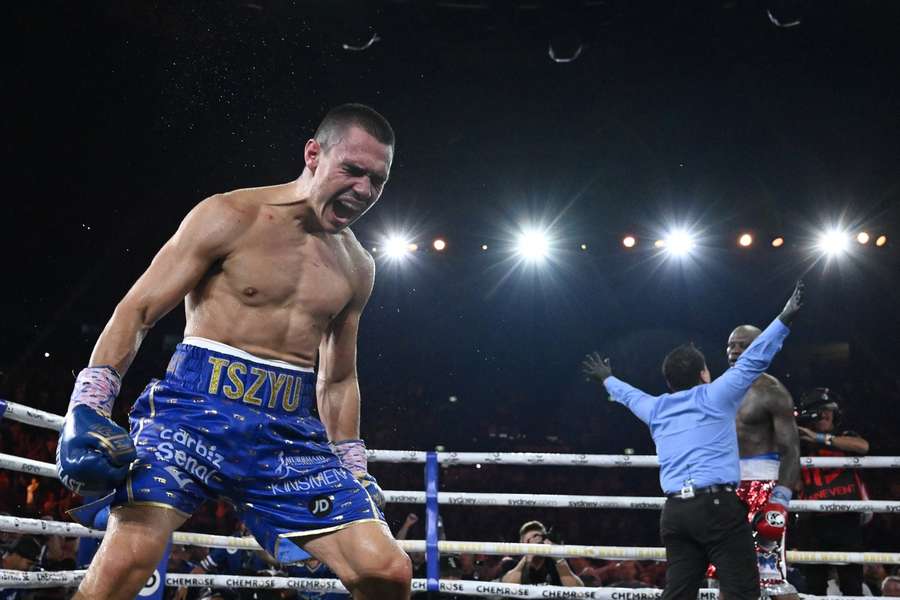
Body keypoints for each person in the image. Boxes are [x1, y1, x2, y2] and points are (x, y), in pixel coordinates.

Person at [55, 103, 412, 600]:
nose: (363, 190)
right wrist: (89, 402)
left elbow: (337, 378)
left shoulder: (358, 266)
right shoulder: (230, 215)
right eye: (352, 170)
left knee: (387, 571)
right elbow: (136, 310)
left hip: (285, 433)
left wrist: (351, 462)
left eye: (377, 180)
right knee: (126, 560)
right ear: (313, 154)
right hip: (192, 413)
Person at [582, 281, 804, 600]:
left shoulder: (657, 408)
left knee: (679, 593)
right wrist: (784, 318)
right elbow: (756, 359)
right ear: (703, 374)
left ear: (669, 382)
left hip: (675, 513)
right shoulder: (717, 395)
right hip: (717, 509)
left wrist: (606, 378)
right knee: (742, 591)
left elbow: (629, 396)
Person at [707, 324, 802, 598]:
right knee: (725, 574)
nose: (735, 350)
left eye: (743, 345)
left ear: (760, 347)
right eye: (731, 345)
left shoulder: (773, 391)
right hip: (723, 488)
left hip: (763, 486)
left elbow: (792, 451)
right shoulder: (718, 389)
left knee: (770, 578)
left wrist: (780, 501)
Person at [794, 388, 870, 597]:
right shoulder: (799, 444)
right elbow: (794, 483)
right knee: (814, 586)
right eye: (819, 411)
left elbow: (863, 447)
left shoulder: (844, 437)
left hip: (845, 518)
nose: (824, 415)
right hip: (812, 521)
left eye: (828, 410)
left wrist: (819, 438)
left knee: (851, 585)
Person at [500, 521, 583, 587]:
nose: (534, 541)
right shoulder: (512, 563)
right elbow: (506, 589)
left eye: (536, 536)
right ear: (523, 544)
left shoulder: (557, 564)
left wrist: (557, 556)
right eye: (528, 540)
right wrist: (527, 557)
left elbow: (578, 590)